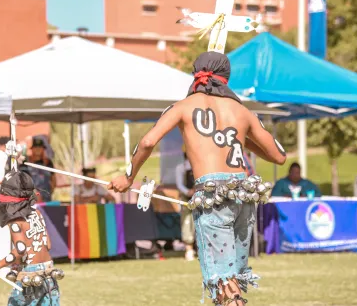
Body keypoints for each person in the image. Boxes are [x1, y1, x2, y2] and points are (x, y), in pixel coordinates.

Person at [108, 51, 287, 305]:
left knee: (225, 284)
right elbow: (279, 156)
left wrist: (129, 177)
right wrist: (237, 136)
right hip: (243, 195)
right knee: (231, 278)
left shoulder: (183, 106)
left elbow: (148, 141)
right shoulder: (241, 110)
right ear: (226, 78)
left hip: (213, 196)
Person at [0, 160, 63, 306]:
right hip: (48, 270)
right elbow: (48, 245)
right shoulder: (37, 213)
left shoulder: (16, 222)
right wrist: (18, 264)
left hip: (31, 275)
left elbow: (20, 250)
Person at [175, 152, 196, 261]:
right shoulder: (181, 168)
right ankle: (189, 250)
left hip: (199, 197)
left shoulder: (199, 165)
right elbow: (179, 184)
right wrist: (188, 192)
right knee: (187, 222)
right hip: (186, 199)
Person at [25, 137, 56, 203]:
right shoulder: (26, 162)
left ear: (43, 149)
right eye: (36, 147)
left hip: (46, 198)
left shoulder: (48, 163)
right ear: (32, 149)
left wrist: (49, 191)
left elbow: (53, 179)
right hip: (31, 198)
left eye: (40, 147)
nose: (38, 149)